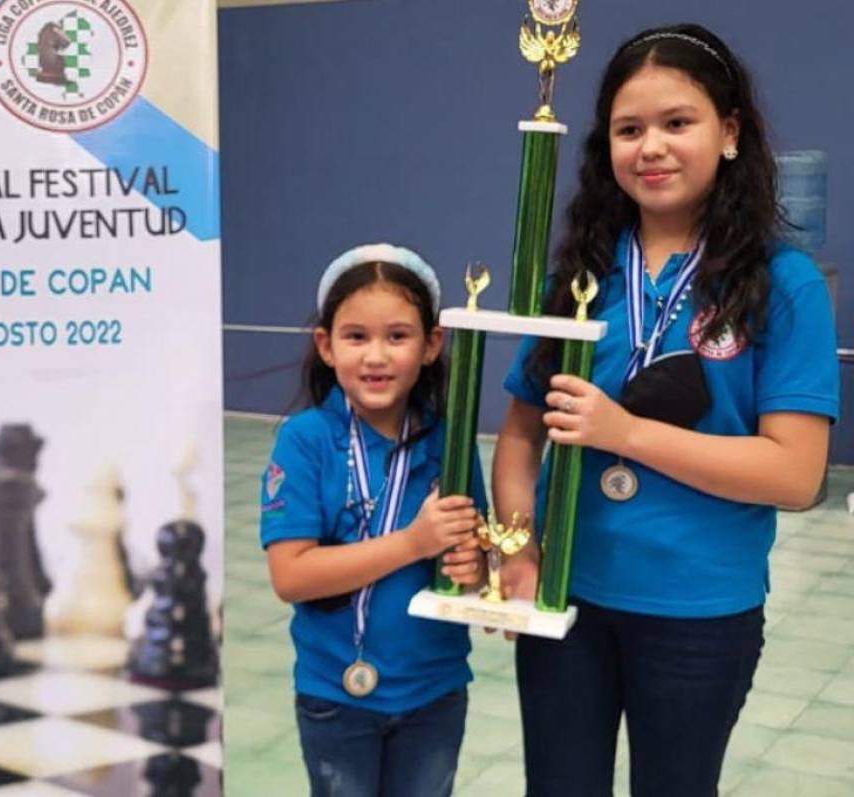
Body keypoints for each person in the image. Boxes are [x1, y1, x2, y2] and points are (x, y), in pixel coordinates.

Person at [493, 23, 841, 797]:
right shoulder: (582, 272)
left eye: (676, 123)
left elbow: (794, 471)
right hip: (566, 605)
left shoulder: (784, 285)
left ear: (729, 132)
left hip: (699, 615)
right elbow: (518, 433)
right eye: (629, 129)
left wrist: (627, 434)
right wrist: (517, 552)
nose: (651, 146)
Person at [259, 243, 487, 797]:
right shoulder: (305, 441)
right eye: (356, 336)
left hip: (435, 693)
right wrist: (413, 542)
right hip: (336, 697)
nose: (376, 356)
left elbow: (476, 566)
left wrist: (474, 565)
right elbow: (292, 576)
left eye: (398, 336)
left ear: (432, 345)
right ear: (327, 345)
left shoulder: (448, 441)